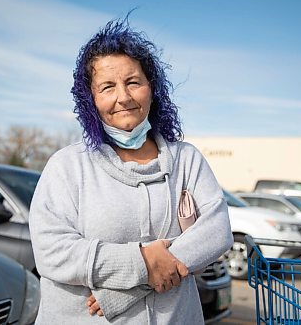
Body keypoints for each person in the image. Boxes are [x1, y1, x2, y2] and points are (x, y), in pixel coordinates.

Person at [29, 17, 233, 324]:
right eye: (108, 87)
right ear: (91, 100)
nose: (123, 97)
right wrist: (141, 262)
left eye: (133, 82)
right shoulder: (66, 167)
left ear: (152, 89)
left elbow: (216, 232)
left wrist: (125, 291)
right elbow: (52, 252)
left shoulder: (187, 159)